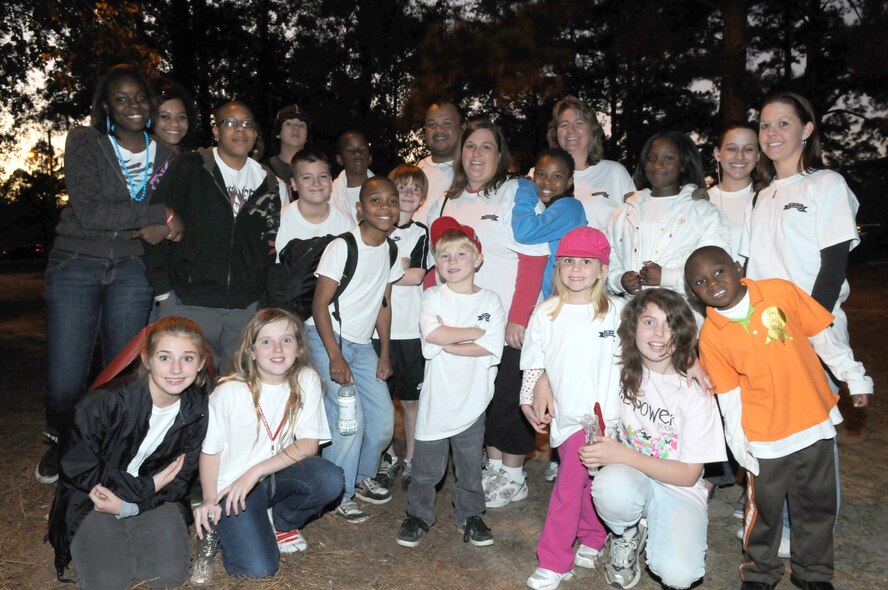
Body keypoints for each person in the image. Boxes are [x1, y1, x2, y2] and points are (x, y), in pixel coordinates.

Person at [685, 246, 872, 590]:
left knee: (816, 504)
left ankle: (813, 572)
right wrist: (739, 446)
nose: (712, 283)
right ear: (693, 293)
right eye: (700, 282)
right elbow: (729, 397)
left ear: (737, 267)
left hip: (813, 424)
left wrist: (854, 376)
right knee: (764, 510)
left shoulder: (780, 291)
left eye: (719, 271)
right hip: (764, 438)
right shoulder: (711, 336)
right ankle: (761, 572)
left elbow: (824, 339)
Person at [37, 63, 184, 484]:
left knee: (121, 373)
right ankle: (61, 439)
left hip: (132, 269)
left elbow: (179, 224)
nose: (132, 105)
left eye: (139, 97)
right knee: (66, 377)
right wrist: (160, 213)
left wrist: (169, 224)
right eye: (121, 99)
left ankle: (107, 449)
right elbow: (90, 211)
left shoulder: (169, 157)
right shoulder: (86, 141)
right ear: (106, 106)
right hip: (76, 263)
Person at [427, 119, 549, 509]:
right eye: (470, 146)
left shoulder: (515, 192)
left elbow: (534, 258)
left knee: (510, 396)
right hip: (469, 318)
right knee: (486, 395)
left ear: (500, 155)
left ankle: (514, 475)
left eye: (486, 147)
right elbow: (441, 259)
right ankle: (494, 467)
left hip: (510, 318)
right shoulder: (451, 199)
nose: (476, 154)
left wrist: (519, 316)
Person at [579, 289, 727, 590]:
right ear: (632, 327)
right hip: (630, 477)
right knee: (610, 485)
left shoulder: (696, 391)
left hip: (678, 484)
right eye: (649, 322)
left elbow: (688, 475)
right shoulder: (618, 368)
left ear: (682, 332)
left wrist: (622, 454)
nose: (659, 333)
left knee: (680, 576)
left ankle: (654, 524)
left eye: (669, 324)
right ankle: (626, 533)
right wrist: (542, 378)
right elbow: (572, 351)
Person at [48, 316, 210, 588]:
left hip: (156, 497)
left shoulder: (198, 409)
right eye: (164, 357)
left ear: (201, 363)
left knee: (168, 575)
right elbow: (78, 467)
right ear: (146, 359)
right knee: (108, 582)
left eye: (188, 358)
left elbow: (180, 479)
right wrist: (148, 485)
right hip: (94, 496)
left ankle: (131, 521)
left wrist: (131, 506)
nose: (176, 369)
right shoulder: (104, 402)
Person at [194, 308, 344, 578]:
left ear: (298, 347)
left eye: (286, 339)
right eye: (266, 341)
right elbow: (210, 452)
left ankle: (282, 521)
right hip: (234, 487)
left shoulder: (306, 379)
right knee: (259, 569)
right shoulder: (228, 392)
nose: (277, 348)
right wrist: (208, 499)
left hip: (272, 475)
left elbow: (309, 445)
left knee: (329, 478)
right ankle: (235, 527)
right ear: (251, 351)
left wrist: (255, 472)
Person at [145, 100, 284, 373]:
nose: (240, 129)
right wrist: (164, 292)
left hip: (244, 308)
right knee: (181, 382)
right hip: (189, 301)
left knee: (236, 385)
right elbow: (155, 222)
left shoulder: (267, 181)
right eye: (230, 123)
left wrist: (260, 296)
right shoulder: (191, 167)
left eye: (247, 124)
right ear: (216, 131)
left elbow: (270, 243)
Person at [520, 227, 620, 590]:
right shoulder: (546, 313)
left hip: (606, 416)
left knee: (577, 482)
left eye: (586, 262)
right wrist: (529, 399)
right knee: (577, 480)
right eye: (568, 261)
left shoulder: (618, 312)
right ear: (557, 266)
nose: (576, 269)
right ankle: (590, 537)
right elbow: (535, 362)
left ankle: (554, 559)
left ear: (603, 269)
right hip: (567, 414)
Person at [396, 216, 505, 548]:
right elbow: (433, 334)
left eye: (461, 254)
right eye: (444, 256)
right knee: (426, 467)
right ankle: (418, 514)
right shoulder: (433, 297)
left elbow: (491, 346)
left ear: (478, 259)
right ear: (436, 263)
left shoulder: (490, 300)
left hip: (474, 399)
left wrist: (452, 341)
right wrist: (474, 332)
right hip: (437, 399)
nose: (452, 261)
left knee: (470, 465)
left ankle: (471, 515)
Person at [306, 176, 404, 523]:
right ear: (360, 208)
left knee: (382, 421)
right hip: (327, 338)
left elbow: (383, 305)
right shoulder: (342, 246)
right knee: (349, 422)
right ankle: (338, 493)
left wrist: (385, 353)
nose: (385, 207)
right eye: (375, 201)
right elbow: (319, 304)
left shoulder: (391, 250)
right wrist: (335, 355)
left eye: (392, 201)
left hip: (363, 346)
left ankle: (362, 476)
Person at [606, 130, 729, 302]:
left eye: (668, 158)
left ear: (683, 164)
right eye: (651, 158)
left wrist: (666, 277)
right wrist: (619, 280)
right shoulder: (623, 212)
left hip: (682, 312)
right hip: (631, 311)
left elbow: (717, 268)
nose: (658, 164)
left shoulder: (704, 212)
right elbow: (609, 258)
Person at [374, 164, 431, 491]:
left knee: (411, 401)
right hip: (376, 332)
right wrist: (400, 268)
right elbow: (379, 272)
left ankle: (412, 459)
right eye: (402, 188)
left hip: (410, 331)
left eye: (415, 189)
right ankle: (388, 457)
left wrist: (388, 272)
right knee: (381, 402)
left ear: (422, 198)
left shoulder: (421, 232)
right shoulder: (375, 227)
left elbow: (417, 276)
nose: (408, 194)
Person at [536, 96, 635, 231]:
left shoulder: (615, 173)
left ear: (592, 131)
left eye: (579, 123)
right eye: (564, 125)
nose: (571, 130)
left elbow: (635, 224)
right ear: (555, 134)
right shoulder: (537, 175)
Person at [513, 147, 587, 299]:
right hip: (554, 301)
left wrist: (526, 188)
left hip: (572, 302)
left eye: (557, 176)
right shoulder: (546, 209)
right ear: (534, 175)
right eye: (541, 174)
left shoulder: (570, 207)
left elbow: (524, 231)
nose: (547, 181)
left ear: (569, 182)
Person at [275, 147, 356, 260]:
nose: (316, 183)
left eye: (323, 176)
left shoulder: (345, 222)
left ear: (330, 181)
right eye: (307, 177)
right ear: (294, 184)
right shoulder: (280, 222)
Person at [708, 121, 759, 260]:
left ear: (758, 156)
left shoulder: (767, 198)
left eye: (748, 149)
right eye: (731, 149)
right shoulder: (702, 202)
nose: (740, 156)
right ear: (717, 154)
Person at [412, 100, 463, 225]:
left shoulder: (472, 174)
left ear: (462, 127)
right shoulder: (412, 173)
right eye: (432, 124)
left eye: (447, 123)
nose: (439, 129)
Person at [266, 104, 311, 197]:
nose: (296, 128)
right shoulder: (263, 170)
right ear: (278, 133)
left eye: (301, 125)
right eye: (289, 123)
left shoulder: (319, 169)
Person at [331, 130, 375, 223]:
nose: (357, 153)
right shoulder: (330, 194)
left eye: (362, 149)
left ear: (370, 158)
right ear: (340, 159)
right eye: (350, 150)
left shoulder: (385, 189)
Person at [148, 77, 194, 151]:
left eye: (181, 117)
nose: (175, 124)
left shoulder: (192, 155)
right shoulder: (142, 156)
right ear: (149, 118)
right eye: (165, 116)